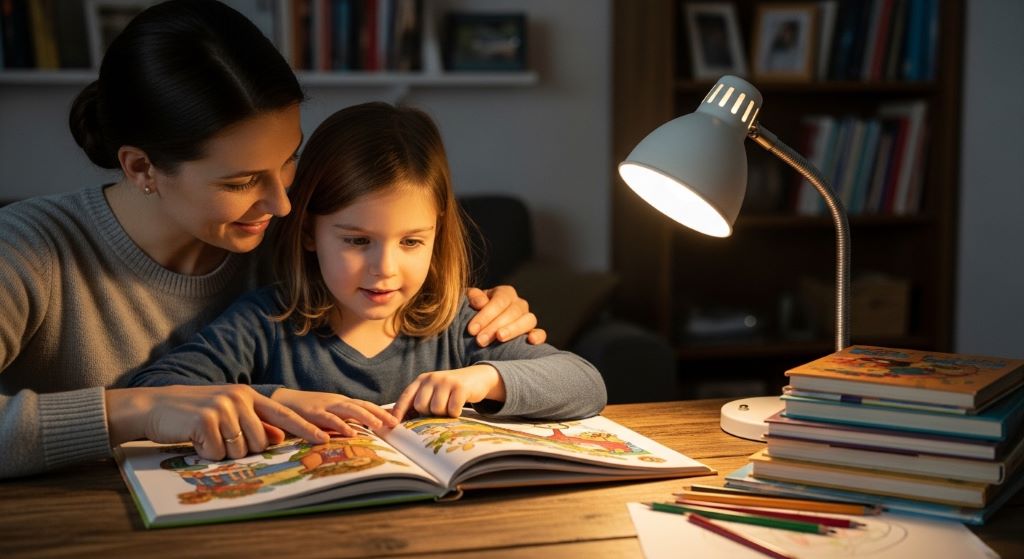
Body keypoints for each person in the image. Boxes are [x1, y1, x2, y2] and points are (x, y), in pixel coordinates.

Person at [0, 0, 543, 479]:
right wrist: (137, 409)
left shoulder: (305, 240)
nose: (282, 205)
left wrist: (492, 312)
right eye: (239, 182)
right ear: (142, 167)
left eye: (288, 160)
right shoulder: (26, 250)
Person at [129, 102, 607, 444]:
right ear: (311, 231)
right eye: (357, 241)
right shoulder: (264, 322)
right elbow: (153, 394)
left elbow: (586, 384)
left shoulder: (461, 321)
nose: (385, 269)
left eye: (412, 241)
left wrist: (485, 380)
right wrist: (280, 400)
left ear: (438, 232)